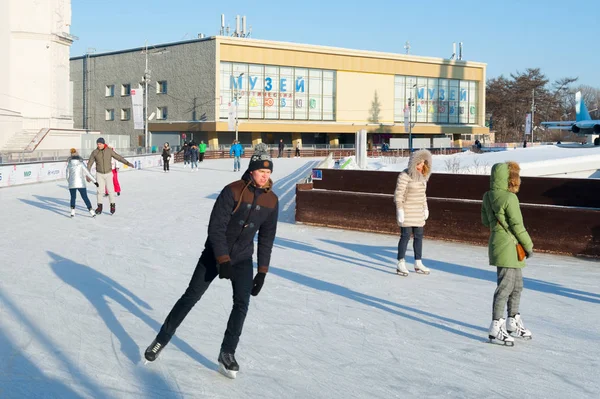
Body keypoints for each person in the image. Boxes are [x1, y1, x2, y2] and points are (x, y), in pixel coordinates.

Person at [144, 142, 279, 379]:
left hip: (243, 259)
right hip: (215, 254)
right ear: (251, 171)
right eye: (261, 172)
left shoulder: (272, 201)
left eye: (268, 173)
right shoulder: (233, 190)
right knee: (191, 296)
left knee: (241, 304)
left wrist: (263, 271)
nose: (264, 177)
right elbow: (215, 228)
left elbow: (267, 237)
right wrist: (222, 259)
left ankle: (227, 353)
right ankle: (161, 339)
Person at [482, 161, 534, 345]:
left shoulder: (488, 196)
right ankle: (496, 325)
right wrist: (529, 245)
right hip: (510, 246)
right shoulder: (510, 198)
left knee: (517, 285)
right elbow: (518, 226)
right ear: (508, 178)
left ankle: (513, 320)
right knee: (505, 286)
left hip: (499, 244)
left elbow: (486, 221)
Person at [393, 149, 432, 276]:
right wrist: (400, 209)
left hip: (418, 212)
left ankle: (418, 262)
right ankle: (400, 262)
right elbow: (399, 194)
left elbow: (423, 195)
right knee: (405, 236)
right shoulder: (404, 175)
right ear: (412, 163)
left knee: (419, 236)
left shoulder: (423, 177)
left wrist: (425, 208)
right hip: (407, 210)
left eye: (423, 163)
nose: (421, 166)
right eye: (418, 163)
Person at [87, 137, 134, 215]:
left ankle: (112, 205)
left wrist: (128, 163)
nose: (99, 145)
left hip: (109, 173)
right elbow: (89, 163)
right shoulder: (95, 152)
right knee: (99, 191)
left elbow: (118, 157)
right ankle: (99, 207)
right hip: (99, 174)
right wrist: (88, 175)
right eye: (97, 144)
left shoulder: (109, 151)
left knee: (110, 190)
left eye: (100, 144)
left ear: (103, 144)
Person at [66, 148, 98, 218]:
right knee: (85, 197)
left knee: (73, 197)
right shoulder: (81, 163)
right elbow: (88, 173)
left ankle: (72, 212)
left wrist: (70, 181)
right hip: (81, 183)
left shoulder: (69, 164)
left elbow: (67, 176)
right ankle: (91, 211)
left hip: (72, 184)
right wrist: (95, 182)